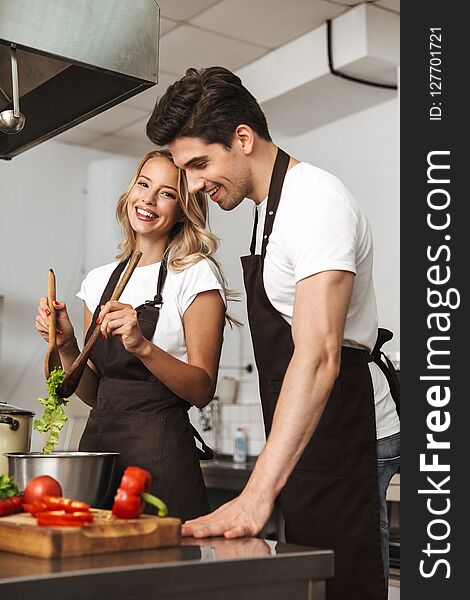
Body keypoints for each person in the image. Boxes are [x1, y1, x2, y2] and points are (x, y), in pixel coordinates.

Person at [146, 67, 400, 600]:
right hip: (319, 434)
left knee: (345, 582)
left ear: (242, 138)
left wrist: (257, 493)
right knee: (313, 581)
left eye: (199, 165)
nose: (192, 185)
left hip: (350, 432)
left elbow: (318, 358)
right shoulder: (270, 211)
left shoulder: (315, 205)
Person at [35, 149, 228, 521]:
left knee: (158, 575)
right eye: (144, 184)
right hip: (100, 456)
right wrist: (66, 344)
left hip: (161, 459)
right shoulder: (98, 282)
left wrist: (142, 346)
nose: (149, 199)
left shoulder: (196, 276)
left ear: (184, 207)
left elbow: (202, 389)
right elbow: (95, 394)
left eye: (167, 193)